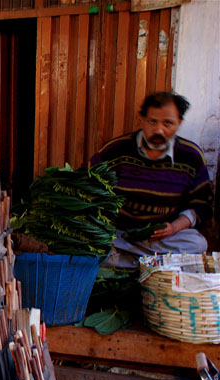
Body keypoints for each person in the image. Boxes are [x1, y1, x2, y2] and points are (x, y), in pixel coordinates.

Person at [90, 92, 213, 269]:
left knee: (197, 243)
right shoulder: (116, 150)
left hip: (165, 238)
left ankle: (130, 263)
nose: (159, 130)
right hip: (119, 236)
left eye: (167, 123)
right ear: (141, 120)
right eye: (152, 122)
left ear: (179, 123)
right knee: (88, 242)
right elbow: (87, 185)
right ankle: (151, 264)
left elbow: (201, 204)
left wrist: (173, 228)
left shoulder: (191, 156)